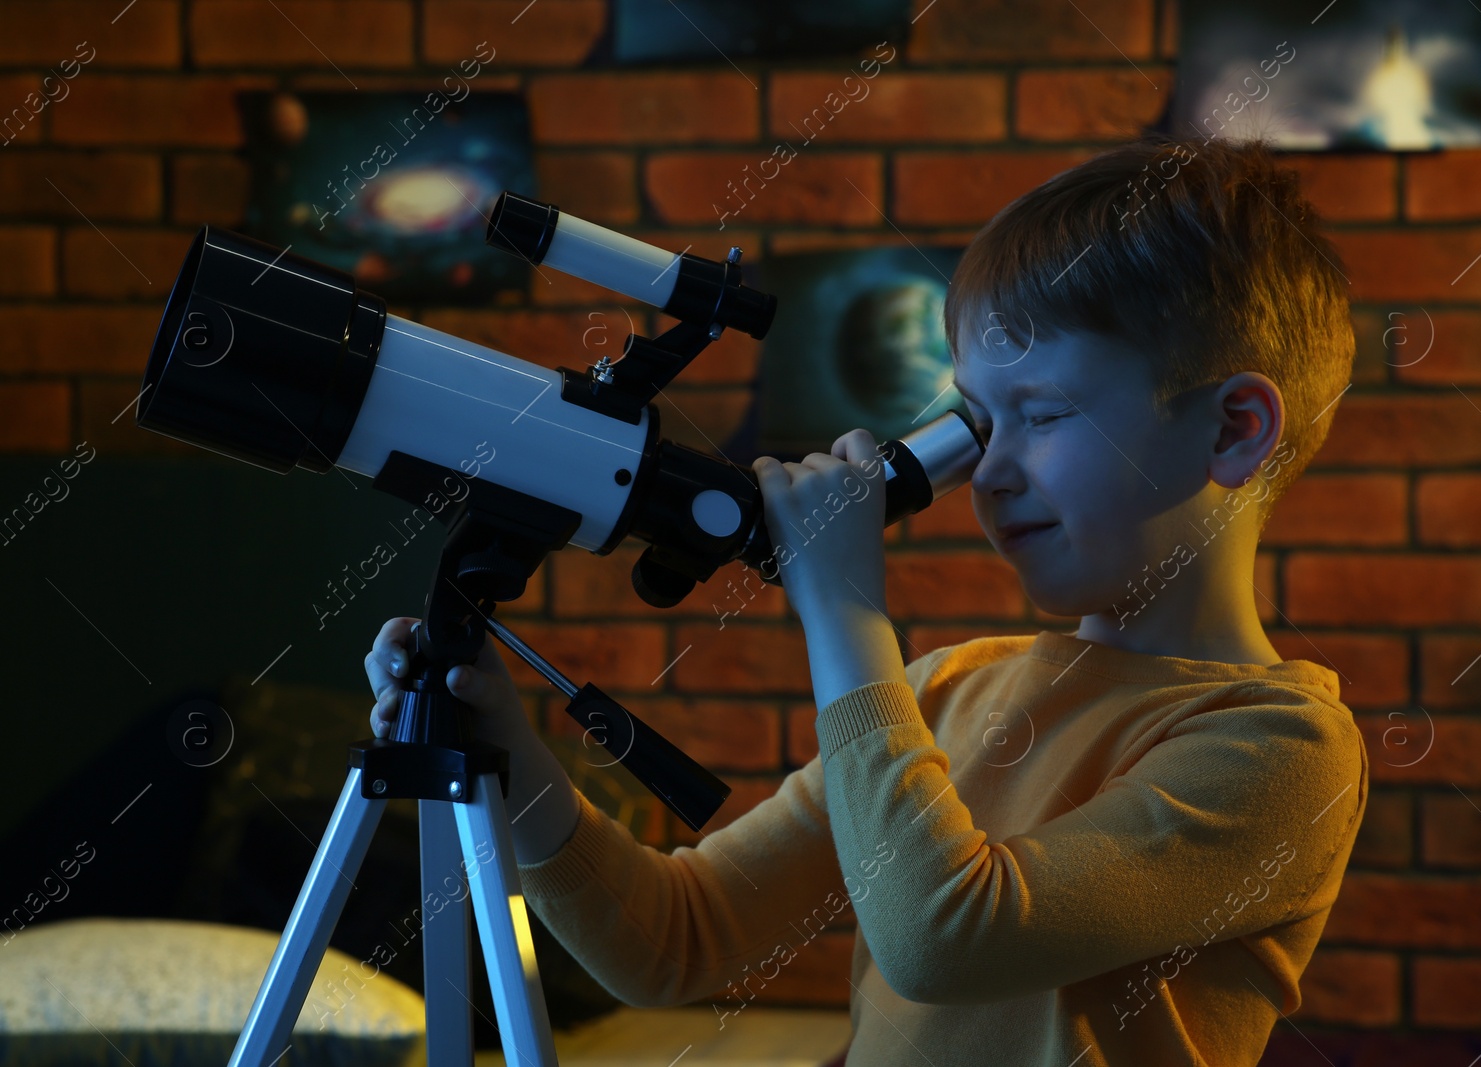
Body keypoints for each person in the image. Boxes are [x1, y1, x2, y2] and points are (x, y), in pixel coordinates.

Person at [363, 134, 1368, 1066]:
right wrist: (509, 750)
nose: (989, 472)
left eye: (1045, 413)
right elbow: (675, 940)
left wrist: (844, 614)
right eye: (977, 422)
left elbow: (945, 936)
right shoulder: (947, 689)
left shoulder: (1280, 748)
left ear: (1232, 427)